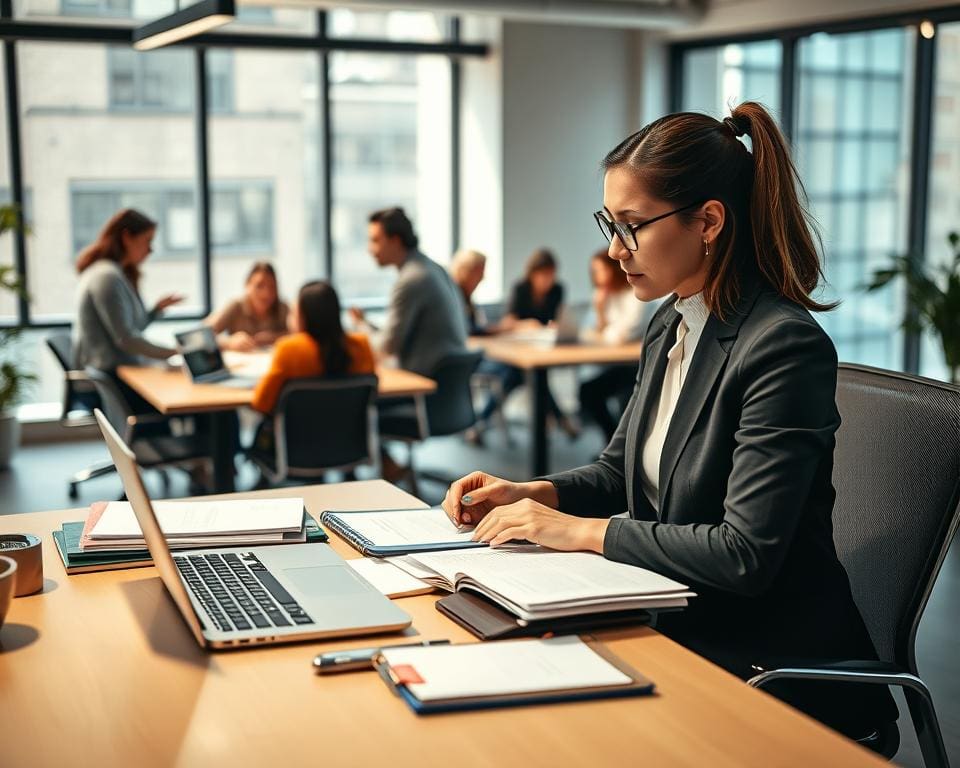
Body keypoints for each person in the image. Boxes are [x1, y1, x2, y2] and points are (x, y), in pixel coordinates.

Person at [441, 103, 897, 740]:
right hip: (674, 616)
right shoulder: (672, 322)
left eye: (631, 225)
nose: (613, 248)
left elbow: (744, 555)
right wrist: (532, 494)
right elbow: (616, 468)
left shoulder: (782, 346)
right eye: (610, 223)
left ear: (708, 221)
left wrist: (575, 532)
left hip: (768, 663)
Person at [73, 208, 182, 412]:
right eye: (147, 241)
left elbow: (130, 329)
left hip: (117, 374)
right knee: (183, 394)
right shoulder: (106, 277)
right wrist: (175, 352)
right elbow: (126, 339)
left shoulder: (115, 274)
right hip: (112, 380)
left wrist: (156, 310)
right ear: (127, 238)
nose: (151, 250)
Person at [250, 280, 374, 454]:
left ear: (304, 316)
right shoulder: (361, 346)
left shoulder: (289, 349)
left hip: (295, 451)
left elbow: (261, 403)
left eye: (293, 312)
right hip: (349, 449)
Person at [349, 207, 467, 376]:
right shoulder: (434, 269)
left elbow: (386, 348)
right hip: (445, 383)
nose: (370, 249)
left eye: (375, 240)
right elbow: (394, 337)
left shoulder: (411, 280)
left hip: (423, 383)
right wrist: (366, 324)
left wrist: (360, 327)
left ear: (395, 241)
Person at [474, 248, 577, 439]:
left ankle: (480, 423)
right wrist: (526, 325)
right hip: (517, 349)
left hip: (543, 347)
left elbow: (557, 319)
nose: (548, 280)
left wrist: (554, 327)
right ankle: (561, 420)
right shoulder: (520, 288)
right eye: (544, 275)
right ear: (533, 273)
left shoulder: (558, 289)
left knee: (523, 377)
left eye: (551, 275)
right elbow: (508, 322)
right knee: (523, 375)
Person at [578, 249, 651, 441]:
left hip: (636, 364)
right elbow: (593, 330)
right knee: (587, 391)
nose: (596, 275)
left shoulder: (634, 293)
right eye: (593, 271)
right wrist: (600, 311)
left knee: (623, 396)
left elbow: (622, 334)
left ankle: (621, 447)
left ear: (612, 269)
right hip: (614, 363)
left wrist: (603, 333)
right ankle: (611, 442)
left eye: (600, 270)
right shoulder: (603, 295)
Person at [206, 262, 289, 352]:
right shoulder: (235, 306)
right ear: (247, 285)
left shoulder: (283, 308)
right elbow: (202, 334)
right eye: (259, 286)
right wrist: (229, 342)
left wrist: (275, 337)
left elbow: (300, 334)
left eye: (272, 287)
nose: (266, 293)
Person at [449, 248, 489, 336]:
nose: (482, 278)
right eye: (479, 272)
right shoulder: (450, 294)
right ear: (464, 271)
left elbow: (476, 326)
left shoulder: (466, 297)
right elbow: (467, 330)